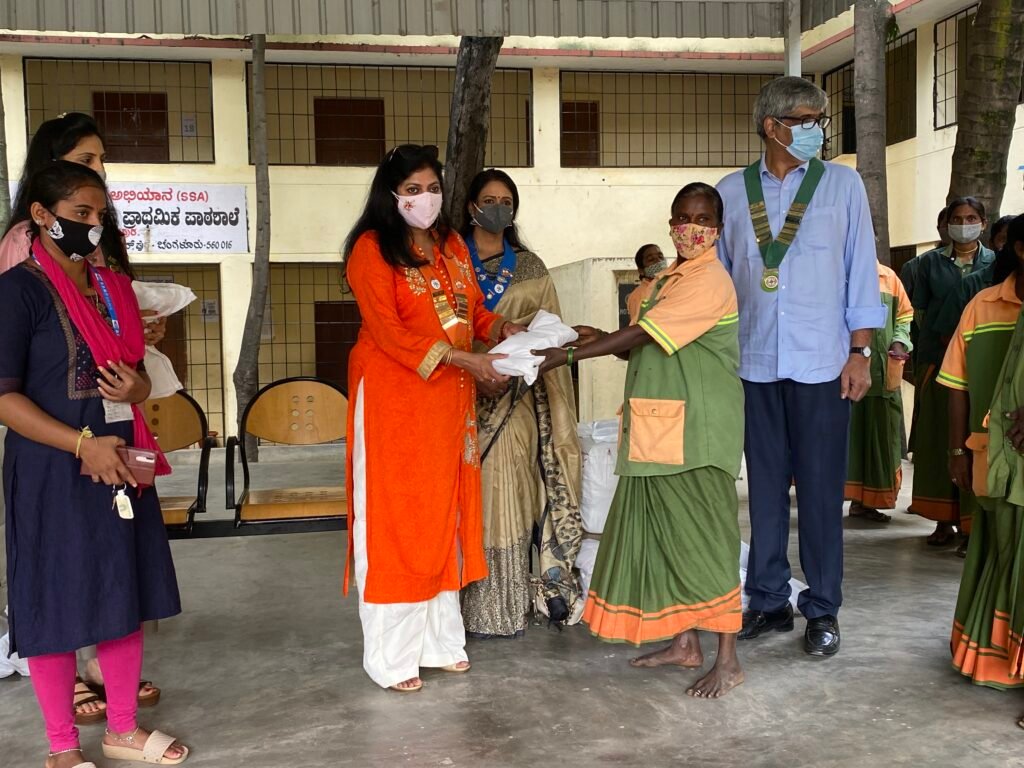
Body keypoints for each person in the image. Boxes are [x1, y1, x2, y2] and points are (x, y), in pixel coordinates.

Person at [0, 161, 187, 767]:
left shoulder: (111, 290)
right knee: (54, 597)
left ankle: (123, 729)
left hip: (119, 460)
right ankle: (60, 748)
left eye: (99, 216)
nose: (92, 226)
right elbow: (4, 398)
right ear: (41, 216)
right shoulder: (18, 290)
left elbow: (132, 377)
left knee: (120, 588)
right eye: (80, 214)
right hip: (55, 466)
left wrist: (135, 392)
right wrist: (83, 445)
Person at [536, 183, 746, 698]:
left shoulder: (710, 281)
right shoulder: (664, 283)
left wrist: (566, 357)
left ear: (718, 227)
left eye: (702, 217)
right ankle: (686, 643)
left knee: (708, 543)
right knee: (668, 541)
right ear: (670, 223)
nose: (690, 227)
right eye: (682, 217)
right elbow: (639, 347)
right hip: (657, 431)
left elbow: (645, 335)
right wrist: (596, 339)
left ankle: (729, 660)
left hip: (698, 433)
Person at [342, 145, 526, 692]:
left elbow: (471, 309)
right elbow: (390, 332)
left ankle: (439, 642)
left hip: (448, 401)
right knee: (397, 521)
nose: (427, 199)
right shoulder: (372, 250)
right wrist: (466, 357)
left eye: (434, 187)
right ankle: (392, 656)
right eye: (414, 190)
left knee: (442, 514)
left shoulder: (449, 244)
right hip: (394, 402)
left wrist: (501, 331)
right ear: (391, 195)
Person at [716, 76, 886, 657]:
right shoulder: (731, 193)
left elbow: (861, 270)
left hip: (823, 363)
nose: (819, 129)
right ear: (774, 126)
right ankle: (767, 601)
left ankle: (822, 609)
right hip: (752, 362)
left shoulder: (842, 186)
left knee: (818, 492)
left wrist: (860, 352)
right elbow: (715, 283)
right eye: (809, 120)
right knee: (762, 490)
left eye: (820, 121)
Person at [458, 168, 583, 638]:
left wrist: (511, 371)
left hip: (513, 401)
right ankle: (447, 612)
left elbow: (550, 334)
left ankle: (499, 608)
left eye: (506, 200)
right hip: (452, 398)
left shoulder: (531, 268)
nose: (498, 207)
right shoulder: (449, 259)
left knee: (506, 493)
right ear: (471, 205)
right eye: (488, 199)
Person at [939, 215, 1024, 707]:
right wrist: (956, 451)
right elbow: (956, 384)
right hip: (990, 454)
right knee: (997, 549)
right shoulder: (983, 304)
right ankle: (989, 653)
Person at [909, 197, 995, 546]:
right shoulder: (926, 265)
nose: (964, 224)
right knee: (938, 440)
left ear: (983, 223)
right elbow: (917, 315)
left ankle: (970, 523)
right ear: (946, 225)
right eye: (958, 218)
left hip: (980, 362)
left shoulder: (993, 263)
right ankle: (942, 520)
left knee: (973, 436)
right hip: (938, 359)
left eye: (971, 218)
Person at [845, 263, 913, 523]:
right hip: (843, 372)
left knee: (879, 441)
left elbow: (905, 316)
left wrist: (900, 341)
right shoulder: (834, 270)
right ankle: (841, 500)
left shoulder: (889, 277)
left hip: (883, 374)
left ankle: (868, 503)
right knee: (847, 442)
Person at [626, 244, 667, 320]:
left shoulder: (672, 284)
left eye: (660, 257)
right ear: (641, 271)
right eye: (651, 259)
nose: (658, 261)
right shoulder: (637, 295)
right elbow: (638, 326)